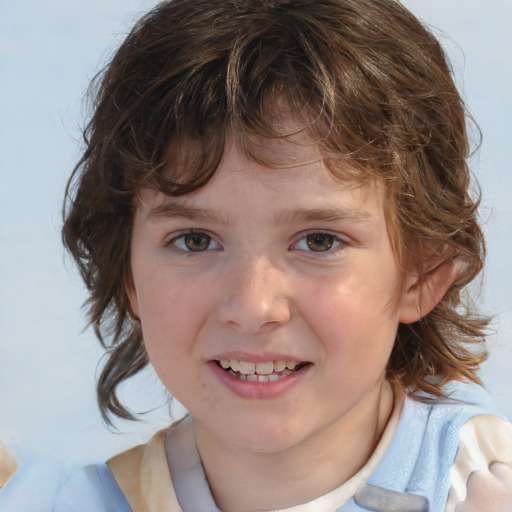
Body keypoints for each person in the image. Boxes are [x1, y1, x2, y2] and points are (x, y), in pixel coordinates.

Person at [2, 0, 512, 510]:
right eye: (195, 240)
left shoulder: (482, 487)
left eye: (319, 241)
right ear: (128, 273)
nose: (252, 307)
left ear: (420, 274)